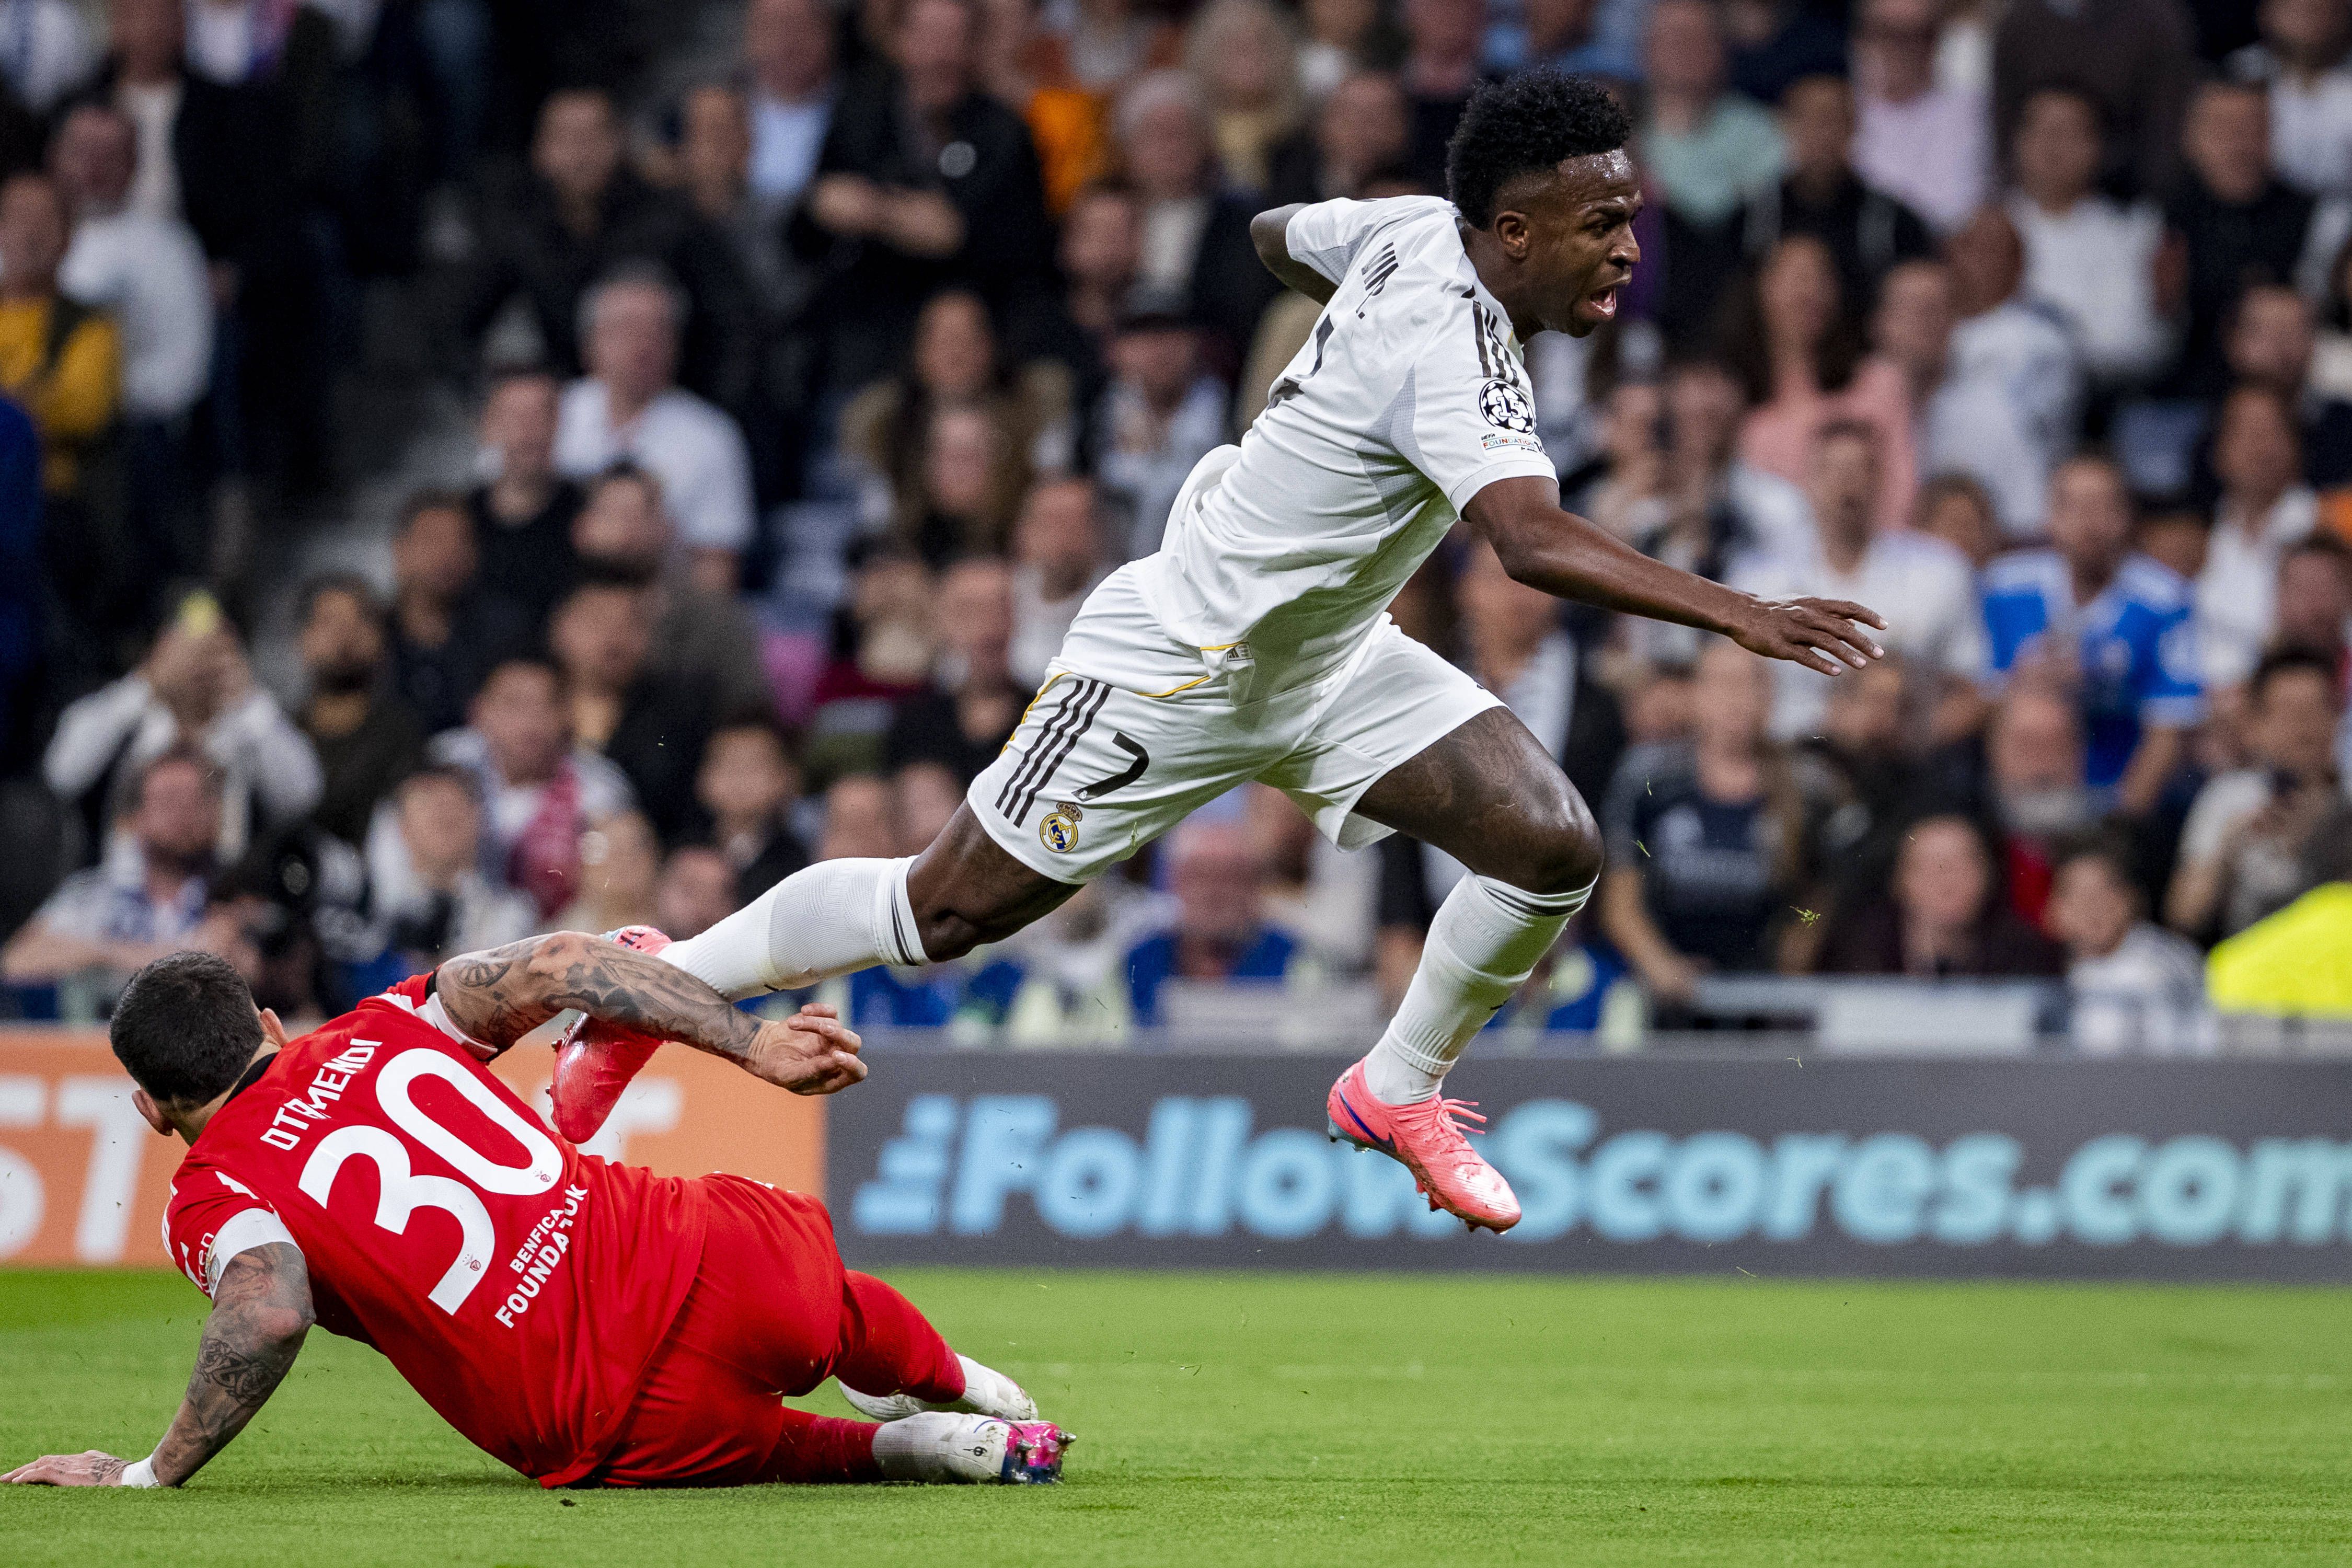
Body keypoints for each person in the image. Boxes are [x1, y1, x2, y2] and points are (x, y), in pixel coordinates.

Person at [574, 72, 1884, 1234]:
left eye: (1630, 215)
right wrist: (1738, 611)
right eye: (1601, 225)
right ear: (1515, 231)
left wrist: (1329, 361)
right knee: (940, 913)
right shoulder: (1456, 344)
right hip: (1176, 664)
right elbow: (1527, 543)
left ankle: (1394, 1086)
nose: (1628, 249)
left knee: (1548, 845)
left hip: (1323, 658)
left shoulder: (1398, 225)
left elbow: (1274, 237)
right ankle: (655, 981)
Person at [1, 941, 1068, 1490]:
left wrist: (150, 1470)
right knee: (833, 1310)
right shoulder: (385, 1023)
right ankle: (957, 1382)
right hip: (702, 1252)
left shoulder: (209, 1194)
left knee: (801, 1456)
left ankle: (906, 1448)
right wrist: (750, 1045)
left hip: (605, 1410)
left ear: (149, 1110)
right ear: (272, 1025)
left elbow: (267, 1311)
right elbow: (567, 965)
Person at [1731, 420, 1987, 739]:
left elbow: (1972, 690)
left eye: (1859, 470)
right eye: (1832, 470)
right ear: (1806, 482)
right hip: (1789, 756)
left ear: (1882, 482)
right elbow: (1730, 684)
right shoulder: (1757, 579)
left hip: (1909, 759)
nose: (1846, 486)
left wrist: (1903, 737)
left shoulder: (1942, 571)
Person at [1982, 455, 2201, 818]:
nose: (2089, 523)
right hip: (2021, 795)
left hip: (2119, 794)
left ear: (2126, 518)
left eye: (2103, 507)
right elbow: (1989, 704)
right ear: (2050, 517)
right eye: (2074, 507)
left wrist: (2117, 826)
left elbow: (2169, 730)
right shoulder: (2005, 588)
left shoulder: (2165, 601)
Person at [1598, 638, 1810, 1007]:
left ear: (1771, 697)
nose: (1736, 698)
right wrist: (1659, 965)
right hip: (1663, 991)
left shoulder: (1809, 789)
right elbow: (1620, 900)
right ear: (1695, 694)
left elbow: (1821, 901)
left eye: (1750, 683)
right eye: (1722, 683)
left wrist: (1791, 966)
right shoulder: (1649, 779)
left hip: (1768, 998)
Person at [44, 595, 321, 865]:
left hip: (219, 897)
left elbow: (302, 799)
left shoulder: (250, 728)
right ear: (161, 646)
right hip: (126, 895)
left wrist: (249, 700)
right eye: (186, 647)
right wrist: (145, 683)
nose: (198, 662)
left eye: (212, 649)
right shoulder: (129, 716)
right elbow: (62, 774)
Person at [554, 266, 755, 592]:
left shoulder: (712, 437)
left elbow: (718, 568)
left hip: (663, 609)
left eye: (659, 331)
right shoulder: (551, 412)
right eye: (627, 329)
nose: (644, 345)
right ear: (590, 342)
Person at [428, 658, 635, 921]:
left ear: (567, 715)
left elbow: (618, 887)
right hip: (453, 931)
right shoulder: (445, 763)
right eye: (514, 704)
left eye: (544, 705)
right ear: (480, 710)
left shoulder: (600, 789)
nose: (530, 721)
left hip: (562, 937)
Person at [1, 748, 220, 992]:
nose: (182, 814)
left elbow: (234, 968)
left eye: (195, 801)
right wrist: (104, 953)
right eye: (168, 800)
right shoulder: (97, 893)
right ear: (136, 816)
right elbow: (16, 961)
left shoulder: (231, 895)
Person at [2165, 649, 2344, 940]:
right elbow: (2184, 915)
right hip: (2252, 965)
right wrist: (2231, 846)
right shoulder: (2228, 799)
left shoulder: (2347, 803)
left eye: (2315, 710)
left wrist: (2327, 837)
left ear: (2337, 717)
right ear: (2257, 725)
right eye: (2288, 713)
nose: (2303, 728)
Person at [2005, 86, 2172, 389]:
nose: (2052, 146)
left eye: (2067, 133)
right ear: (2018, 140)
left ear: (2097, 147)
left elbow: (2129, 342)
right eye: (2041, 130)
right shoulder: (1986, 230)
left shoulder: (2131, 232)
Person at [1738, 75, 1935, 317]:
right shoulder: (1752, 219)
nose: (1822, 132)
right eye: (1810, 119)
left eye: (1833, 119)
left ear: (1854, 127)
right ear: (1786, 126)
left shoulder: (1895, 223)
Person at [1816, 811, 2066, 977]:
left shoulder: (2028, 956)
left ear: (1987, 877)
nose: (1949, 882)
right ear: (1902, 882)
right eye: (1933, 867)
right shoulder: (1858, 954)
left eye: (1962, 866)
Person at [383, 490, 533, 738]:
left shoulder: (507, 633)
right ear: (400, 550)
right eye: (432, 540)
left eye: (460, 542)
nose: (446, 554)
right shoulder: (373, 635)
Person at [1121, 817, 1298, 1025]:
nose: (1213, 894)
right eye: (1199, 876)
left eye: (1230, 878)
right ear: (1174, 884)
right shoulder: (1134, 963)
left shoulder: (1298, 963)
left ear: (1255, 889)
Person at [2200, 386, 2320, 691]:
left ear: (2296, 445)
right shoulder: (2200, 539)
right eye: (2247, 433)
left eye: (2272, 432)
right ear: (2220, 450)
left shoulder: (2328, 529)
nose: (2259, 448)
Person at [363, 766, 539, 973]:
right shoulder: (374, 919)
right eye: (428, 809)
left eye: (452, 807)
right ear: (403, 827)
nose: (441, 813)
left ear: (478, 820)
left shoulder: (514, 915)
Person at [294, 575, 428, 848]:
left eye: (360, 621)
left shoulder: (402, 734)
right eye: (328, 621)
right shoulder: (282, 734)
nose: (344, 635)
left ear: (381, 640)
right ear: (302, 640)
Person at [2048, 835, 2212, 1054]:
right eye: (2078, 895)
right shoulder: (2054, 967)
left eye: (2104, 892)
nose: (2091, 907)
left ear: (2131, 899)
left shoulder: (2160, 965)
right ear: (2056, 910)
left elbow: (2176, 1068)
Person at [1852, 0, 1989, 234]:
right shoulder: (1844, 113)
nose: (1902, 48)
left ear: (1937, 39)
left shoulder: (1973, 115)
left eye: (1918, 35)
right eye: (1888, 34)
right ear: (1865, 38)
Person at [467, 366, 582, 628]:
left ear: (560, 424)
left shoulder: (590, 514)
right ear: (487, 427)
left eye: (541, 416)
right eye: (514, 417)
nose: (529, 431)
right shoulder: (462, 520)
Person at [696, 719, 810, 906]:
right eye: (729, 766)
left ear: (785, 778)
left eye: (754, 767)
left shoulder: (796, 860)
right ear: (704, 778)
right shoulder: (687, 854)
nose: (740, 780)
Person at [742, 0, 840, 212]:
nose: (786, 43)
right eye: (772, 27)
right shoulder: (716, 101)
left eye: (799, 27)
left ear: (828, 32)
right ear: (750, 32)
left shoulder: (866, 113)